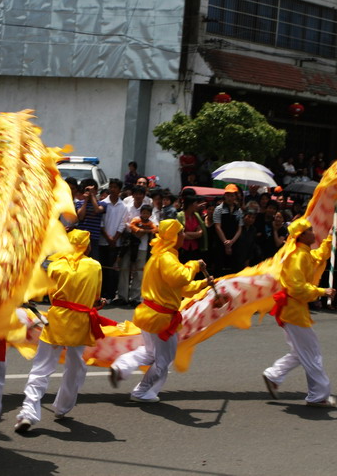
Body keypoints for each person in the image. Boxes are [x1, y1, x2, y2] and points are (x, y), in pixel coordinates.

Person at [15, 229, 107, 432]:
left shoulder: (55, 265)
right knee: (75, 368)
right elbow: (95, 298)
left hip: (56, 321)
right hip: (80, 324)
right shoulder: (94, 266)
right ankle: (62, 407)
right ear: (86, 246)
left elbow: (46, 293)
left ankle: (27, 413)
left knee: (41, 369)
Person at [110, 219, 212, 402]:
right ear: (174, 236)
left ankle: (122, 366)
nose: (183, 235)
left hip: (150, 314)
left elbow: (181, 288)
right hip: (160, 318)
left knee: (150, 353)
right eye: (180, 232)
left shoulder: (162, 256)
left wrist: (204, 284)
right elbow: (180, 278)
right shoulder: (166, 257)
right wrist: (194, 265)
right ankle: (141, 392)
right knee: (164, 360)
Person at [263, 218, 337, 407]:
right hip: (294, 310)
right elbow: (296, 287)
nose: (314, 232)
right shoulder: (298, 256)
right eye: (310, 230)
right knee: (311, 353)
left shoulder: (303, 253)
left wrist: (330, 239)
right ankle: (318, 395)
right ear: (301, 235)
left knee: (301, 352)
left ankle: (274, 375)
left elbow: (319, 256)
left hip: (295, 310)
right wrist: (322, 291)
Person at [98, 178, 128, 303]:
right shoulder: (103, 203)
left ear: (120, 190)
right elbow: (101, 222)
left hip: (116, 243)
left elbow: (123, 224)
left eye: (116, 187)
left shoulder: (123, 206)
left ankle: (110, 295)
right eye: (111, 187)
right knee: (101, 268)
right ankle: (100, 294)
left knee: (112, 270)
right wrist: (107, 237)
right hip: (103, 241)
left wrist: (114, 239)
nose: (113, 189)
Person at [213, 184, 243, 275]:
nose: (230, 198)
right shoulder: (218, 209)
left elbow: (240, 228)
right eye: (228, 195)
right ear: (224, 196)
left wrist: (231, 242)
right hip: (220, 242)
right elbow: (217, 227)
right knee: (218, 266)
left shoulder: (239, 211)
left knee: (235, 267)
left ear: (236, 196)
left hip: (234, 242)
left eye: (232, 195)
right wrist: (226, 242)